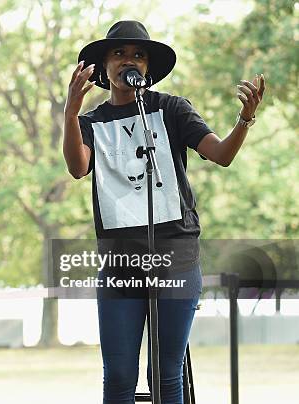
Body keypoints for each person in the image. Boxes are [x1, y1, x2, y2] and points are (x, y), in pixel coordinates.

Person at [62, 21, 264, 403]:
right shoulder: (92, 122)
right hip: (121, 262)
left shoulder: (170, 108)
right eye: (119, 54)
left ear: (147, 68)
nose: (129, 61)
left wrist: (244, 120)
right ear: (104, 67)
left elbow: (220, 154)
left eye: (138, 55)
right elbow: (77, 167)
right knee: (120, 374)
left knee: (166, 374)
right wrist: (71, 113)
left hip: (176, 257)